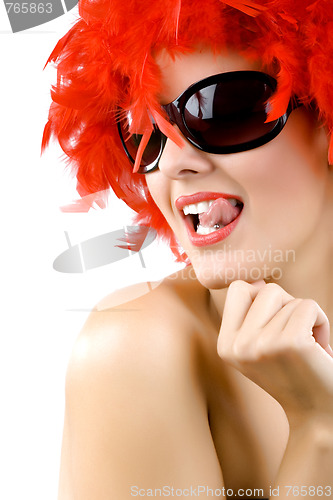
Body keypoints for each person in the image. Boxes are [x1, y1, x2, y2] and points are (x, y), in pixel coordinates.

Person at [43, 0, 333, 498]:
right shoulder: (131, 351)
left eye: (224, 110)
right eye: (145, 131)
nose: (174, 162)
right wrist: (320, 431)